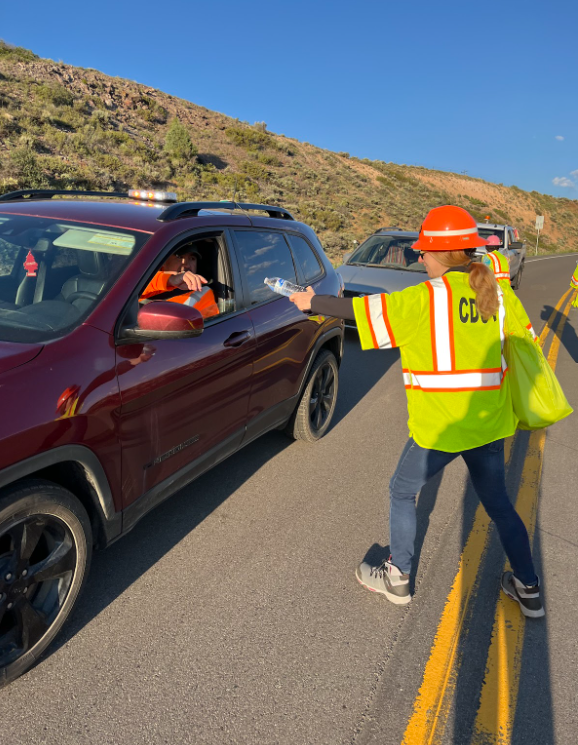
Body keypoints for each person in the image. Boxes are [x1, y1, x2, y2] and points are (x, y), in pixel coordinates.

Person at [289, 205, 544, 618]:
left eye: (421, 251)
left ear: (438, 254)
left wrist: (309, 301)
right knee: (499, 505)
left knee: (402, 491)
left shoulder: (424, 298)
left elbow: (360, 312)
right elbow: (524, 345)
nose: (418, 257)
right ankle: (529, 588)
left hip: (439, 428)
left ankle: (398, 578)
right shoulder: (496, 293)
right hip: (489, 425)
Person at [141, 246, 219, 319]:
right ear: (164, 262)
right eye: (179, 257)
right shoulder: (143, 282)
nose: (187, 265)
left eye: (192, 258)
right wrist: (170, 280)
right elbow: (132, 287)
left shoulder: (203, 293)